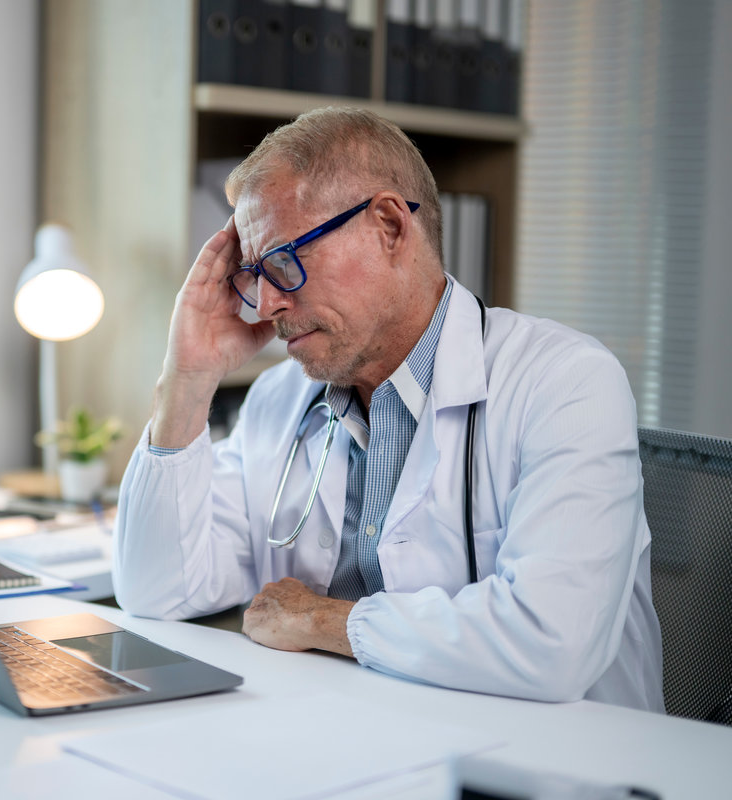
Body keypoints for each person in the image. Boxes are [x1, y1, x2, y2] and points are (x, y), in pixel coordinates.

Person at [112, 106, 664, 712]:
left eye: (284, 264)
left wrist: (324, 621)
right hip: (358, 740)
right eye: (254, 276)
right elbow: (156, 590)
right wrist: (186, 380)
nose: (266, 304)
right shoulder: (279, 401)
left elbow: (550, 643)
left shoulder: (565, 383)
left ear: (389, 227)